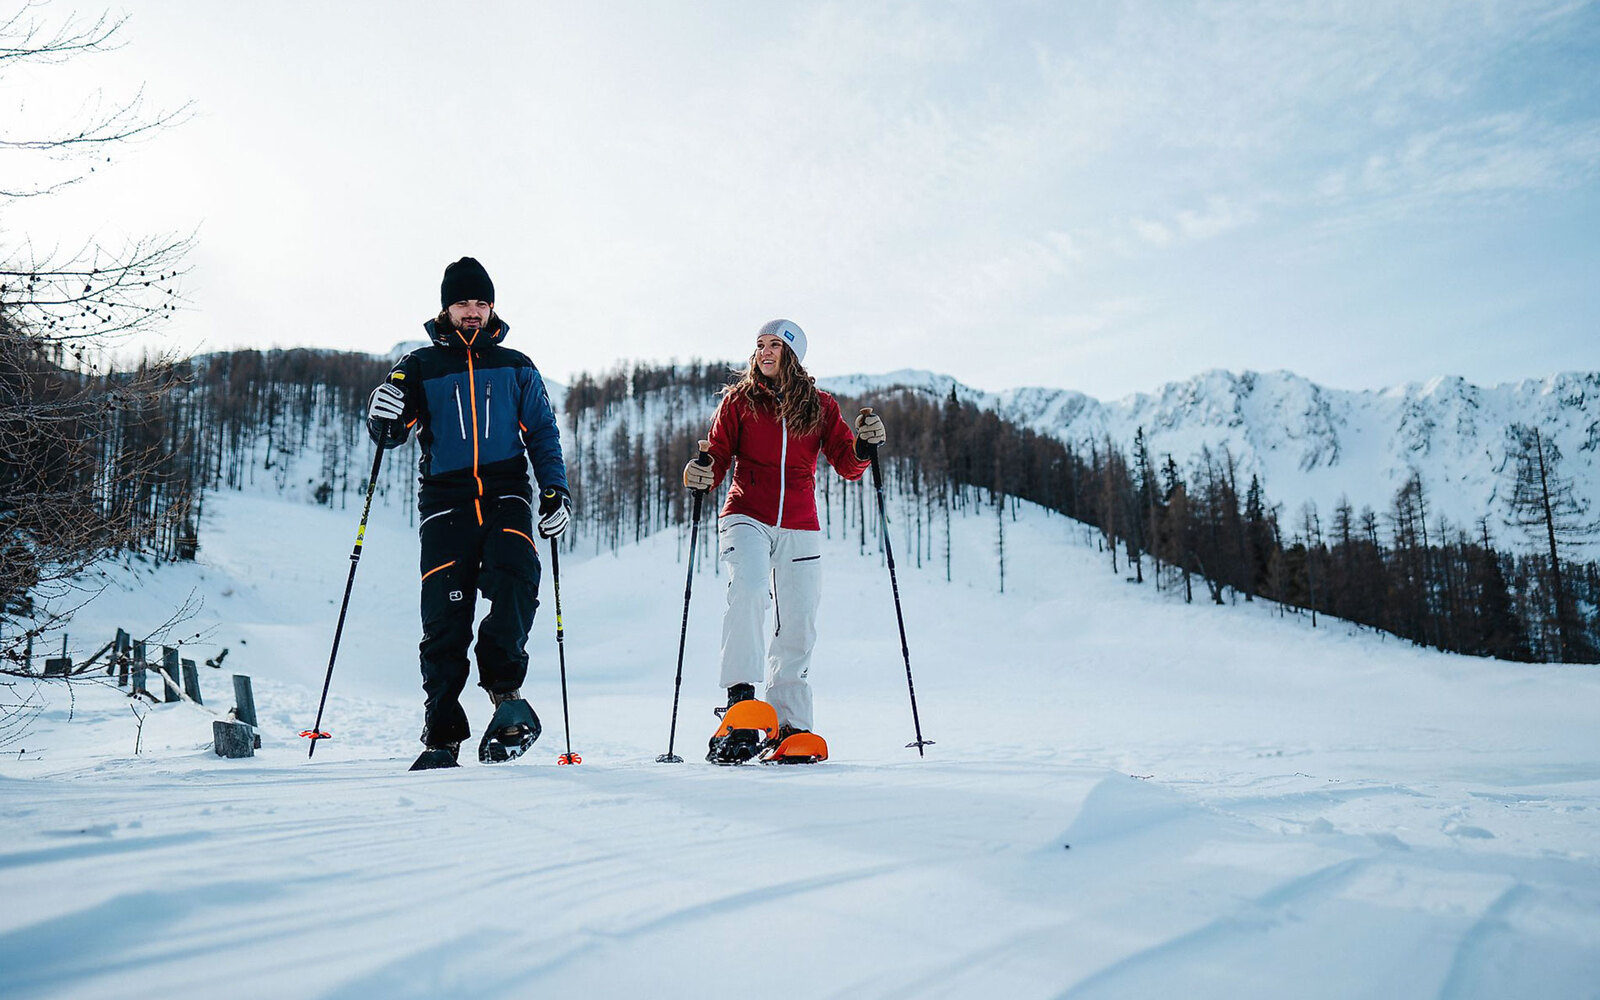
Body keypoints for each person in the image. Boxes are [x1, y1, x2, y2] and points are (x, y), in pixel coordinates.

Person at [366, 257, 571, 770]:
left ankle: (506, 699)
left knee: (517, 579)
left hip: (506, 491)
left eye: (481, 303)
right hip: (445, 501)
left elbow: (543, 433)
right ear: (446, 307)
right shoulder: (419, 365)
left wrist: (555, 491)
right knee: (445, 614)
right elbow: (392, 433)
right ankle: (443, 732)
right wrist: (382, 417)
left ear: (492, 306)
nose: (473, 312)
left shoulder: (517, 366)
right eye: (464, 303)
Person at [683, 319, 886, 762]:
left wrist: (865, 449)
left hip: (799, 521)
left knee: (798, 619)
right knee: (750, 590)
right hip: (746, 514)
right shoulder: (739, 402)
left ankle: (789, 725)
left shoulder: (820, 406)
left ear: (793, 354)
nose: (764, 352)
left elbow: (848, 464)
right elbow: (717, 456)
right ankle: (741, 705)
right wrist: (703, 472)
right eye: (759, 345)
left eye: (774, 345)